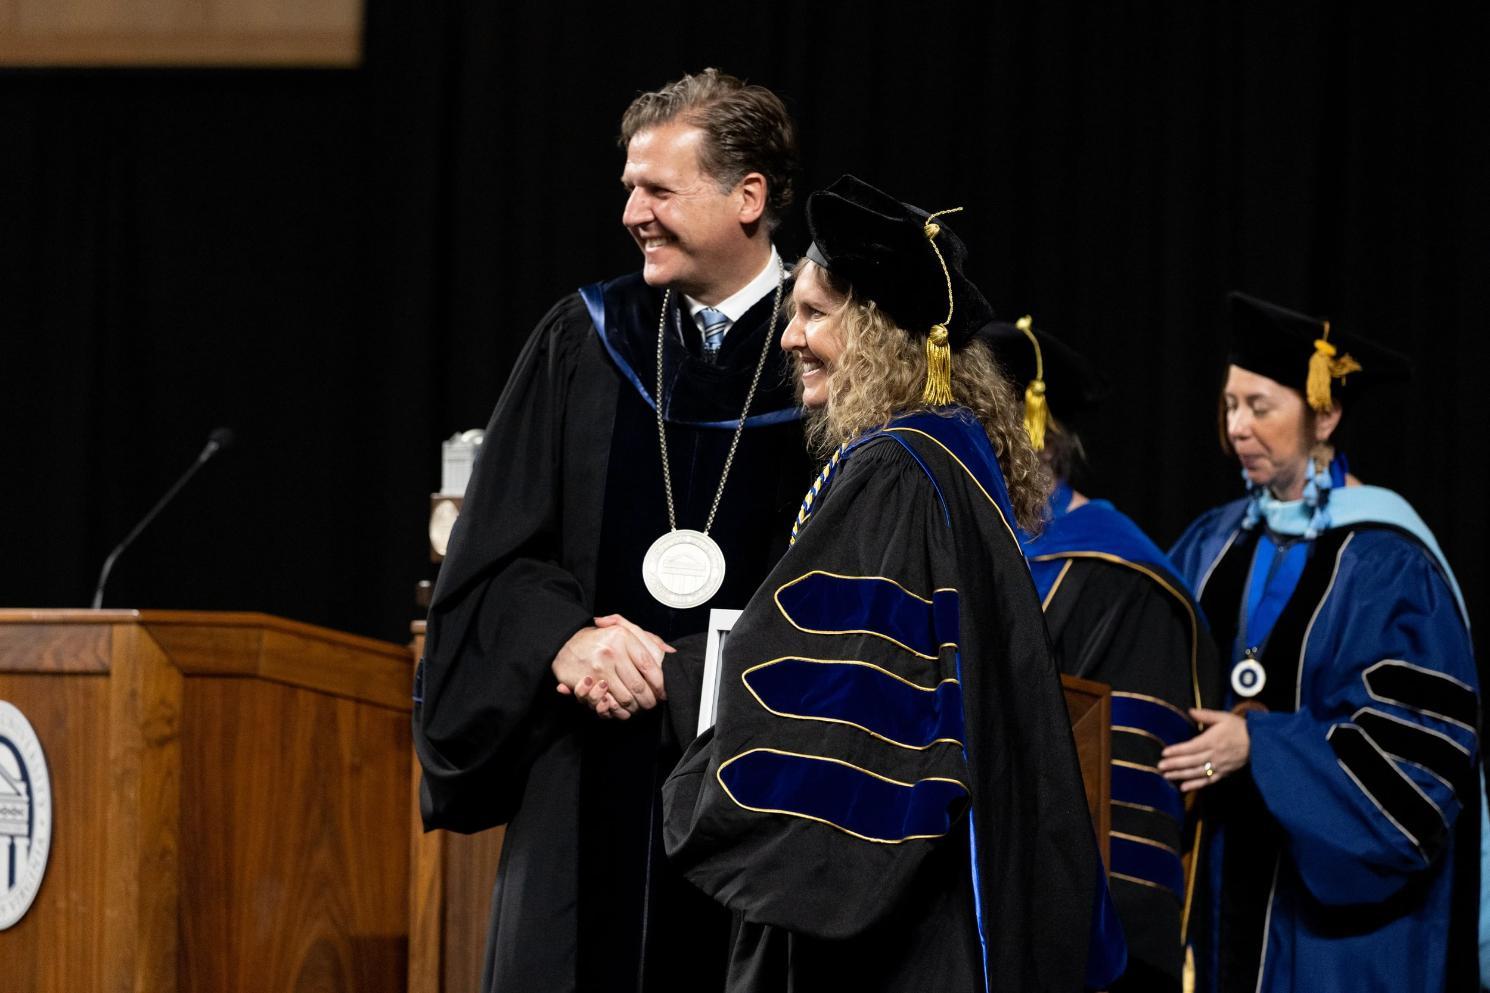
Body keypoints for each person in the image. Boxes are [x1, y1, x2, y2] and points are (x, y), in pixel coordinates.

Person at [663, 175, 1124, 992]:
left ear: (875, 329)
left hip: (903, 931)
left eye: (812, 314)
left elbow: (841, 707)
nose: (789, 339)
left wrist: (676, 673)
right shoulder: (948, 456)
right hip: (952, 887)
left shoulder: (893, 474)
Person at [412, 69, 813, 993]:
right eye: (629, 187)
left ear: (748, 196)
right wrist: (567, 639)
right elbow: (492, 558)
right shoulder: (586, 340)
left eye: (659, 189)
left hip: (759, 786)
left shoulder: (830, 354)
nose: (633, 211)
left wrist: (685, 675)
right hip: (584, 768)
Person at [1160, 292, 1480, 993]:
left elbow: (1420, 760)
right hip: (1213, 902)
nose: (1237, 427)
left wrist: (1261, 747)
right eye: (1229, 405)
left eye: (1260, 406)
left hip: (1335, 939)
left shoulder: (1389, 563)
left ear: (1324, 413)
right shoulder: (1213, 541)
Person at [981, 316, 1219, 992]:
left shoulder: (1121, 576)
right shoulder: (957, 541)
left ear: (1032, 430)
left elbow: (1130, 830)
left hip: (1069, 943)